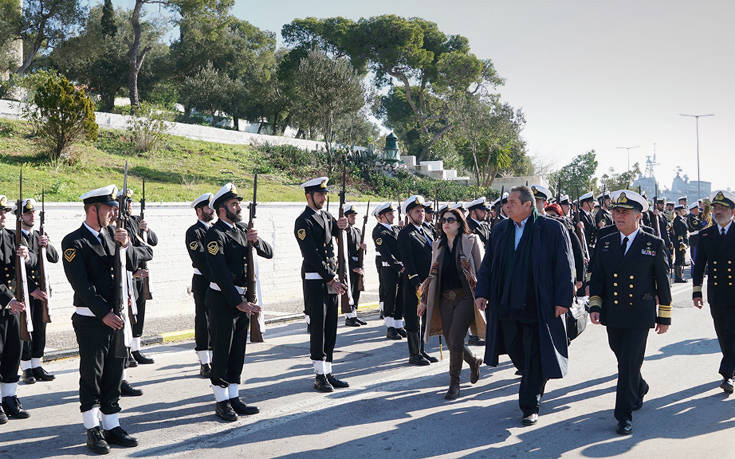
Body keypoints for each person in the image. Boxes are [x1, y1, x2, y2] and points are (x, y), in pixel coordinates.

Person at [475, 185, 574, 426]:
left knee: (533, 353)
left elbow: (564, 265)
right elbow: (488, 264)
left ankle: (530, 405)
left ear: (528, 205)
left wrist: (563, 300)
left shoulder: (551, 229)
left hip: (537, 304)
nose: (506, 206)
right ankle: (534, 377)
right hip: (506, 304)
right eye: (506, 202)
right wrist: (482, 292)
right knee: (515, 349)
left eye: (512, 202)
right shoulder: (500, 230)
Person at [62, 185, 151, 454]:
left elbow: (146, 254)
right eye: (109, 208)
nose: (114, 213)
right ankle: (93, 429)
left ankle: (112, 425)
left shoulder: (115, 234)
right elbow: (82, 285)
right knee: (93, 375)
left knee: (114, 374)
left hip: (117, 318)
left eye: (114, 208)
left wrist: (126, 245)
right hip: (92, 320)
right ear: (93, 209)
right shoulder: (73, 242)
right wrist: (104, 313)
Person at [588, 189, 671, 435]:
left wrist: (664, 314)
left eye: (624, 212)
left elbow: (662, 281)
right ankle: (640, 386)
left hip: (639, 314)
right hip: (613, 313)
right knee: (622, 357)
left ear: (638, 216)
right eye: (615, 211)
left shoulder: (653, 243)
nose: (618, 216)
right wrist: (595, 305)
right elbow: (599, 277)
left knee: (627, 364)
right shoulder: (606, 242)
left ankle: (623, 415)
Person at [205, 183, 272, 421]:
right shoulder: (214, 235)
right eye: (234, 204)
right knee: (222, 350)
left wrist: (256, 240)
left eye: (238, 203)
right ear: (222, 209)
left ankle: (233, 396)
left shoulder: (243, 229)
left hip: (243, 297)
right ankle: (221, 401)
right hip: (224, 299)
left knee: (238, 351)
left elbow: (268, 252)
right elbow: (220, 273)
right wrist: (237, 302)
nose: (238, 207)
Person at [418, 207, 486, 400]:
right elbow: (432, 275)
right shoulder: (438, 244)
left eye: (450, 220)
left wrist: (483, 296)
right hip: (444, 299)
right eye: (443, 220)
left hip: (465, 297)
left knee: (456, 337)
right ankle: (473, 361)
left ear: (459, 223)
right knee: (451, 341)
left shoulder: (471, 241)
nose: (445, 223)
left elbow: (481, 270)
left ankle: (454, 383)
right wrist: (424, 301)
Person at [294, 177, 350, 392]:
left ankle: (328, 371)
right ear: (309, 196)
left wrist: (341, 227)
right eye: (320, 194)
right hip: (317, 281)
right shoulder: (303, 222)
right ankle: (319, 375)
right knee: (318, 328)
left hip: (330, 280)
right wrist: (331, 278)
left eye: (325, 194)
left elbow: (336, 235)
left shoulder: (326, 216)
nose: (324, 198)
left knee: (331, 328)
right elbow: (311, 255)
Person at [692, 190, 735, 393]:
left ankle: (727, 374)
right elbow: (699, 265)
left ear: (732, 211)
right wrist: (696, 291)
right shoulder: (706, 234)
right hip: (716, 293)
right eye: (716, 208)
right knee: (722, 333)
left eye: (723, 208)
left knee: (732, 333)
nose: (718, 211)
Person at [18, 198, 58, 384]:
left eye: (33, 212)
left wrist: (47, 244)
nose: (31, 215)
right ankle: (26, 369)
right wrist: (32, 290)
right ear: (20, 216)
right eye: (28, 213)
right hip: (25, 291)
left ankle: (37, 365)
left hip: (41, 292)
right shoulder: (15, 237)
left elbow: (54, 258)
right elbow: (16, 269)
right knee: (26, 329)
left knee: (40, 329)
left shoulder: (39, 236)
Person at [0, 195, 32, 423]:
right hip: (5, 303)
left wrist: (26, 256)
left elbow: (29, 265)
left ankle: (9, 397)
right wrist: (8, 298)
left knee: (13, 353)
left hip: (13, 307)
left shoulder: (13, 236)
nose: (3, 216)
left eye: (4, 212)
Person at [118, 189, 158, 365]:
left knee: (139, 313)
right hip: (129, 274)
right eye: (127, 202)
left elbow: (153, 242)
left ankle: (136, 348)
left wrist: (146, 229)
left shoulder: (135, 221)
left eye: (130, 202)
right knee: (129, 313)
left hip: (141, 275)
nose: (130, 205)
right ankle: (126, 350)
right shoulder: (119, 224)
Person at [398, 196, 437, 366]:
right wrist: (417, 284)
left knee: (425, 317)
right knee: (414, 318)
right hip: (415, 283)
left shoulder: (427, 231)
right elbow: (408, 261)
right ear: (408, 214)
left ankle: (422, 350)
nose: (421, 214)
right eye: (417, 211)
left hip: (428, 282)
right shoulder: (406, 233)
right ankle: (414, 354)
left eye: (422, 210)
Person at [185, 192, 215, 378]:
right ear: (199, 211)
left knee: (216, 320)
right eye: (207, 208)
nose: (211, 211)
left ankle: (216, 358)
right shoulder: (194, 232)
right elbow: (201, 259)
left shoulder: (215, 229)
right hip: (203, 281)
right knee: (203, 320)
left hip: (217, 280)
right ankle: (205, 362)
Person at [373, 202, 405, 340]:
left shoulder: (395, 229)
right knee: (390, 296)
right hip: (388, 268)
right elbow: (385, 253)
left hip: (400, 268)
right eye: (390, 214)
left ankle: (398, 324)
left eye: (393, 213)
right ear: (382, 216)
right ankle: (390, 327)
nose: (393, 216)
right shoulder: (379, 231)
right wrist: (398, 265)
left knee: (400, 298)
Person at [344, 204, 367, 326]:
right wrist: (354, 267)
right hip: (350, 265)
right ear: (346, 217)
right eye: (351, 216)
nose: (354, 218)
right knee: (350, 291)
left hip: (358, 264)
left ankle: (354, 315)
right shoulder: (344, 232)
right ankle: (349, 317)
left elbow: (358, 250)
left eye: (354, 216)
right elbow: (344, 251)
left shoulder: (357, 231)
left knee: (357, 291)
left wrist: (363, 248)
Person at [687, 202, 707, 277]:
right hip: (694, 239)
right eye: (697, 209)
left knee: (700, 256)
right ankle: (694, 272)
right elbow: (697, 226)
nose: (698, 210)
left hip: (698, 238)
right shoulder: (691, 218)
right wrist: (704, 223)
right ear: (694, 209)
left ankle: (699, 271)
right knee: (695, 257)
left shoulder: (695, 217)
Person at [672, 204, 689, 283]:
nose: (684, 211)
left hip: (683, 242)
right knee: (679, 259)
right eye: (682, 210)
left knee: (681, 259)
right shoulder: (677, 220)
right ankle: (678, 277)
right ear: (678, 212)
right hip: (680, 243)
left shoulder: (682, 219)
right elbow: (679, 233)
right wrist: (681, 242)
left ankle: (680, 276)